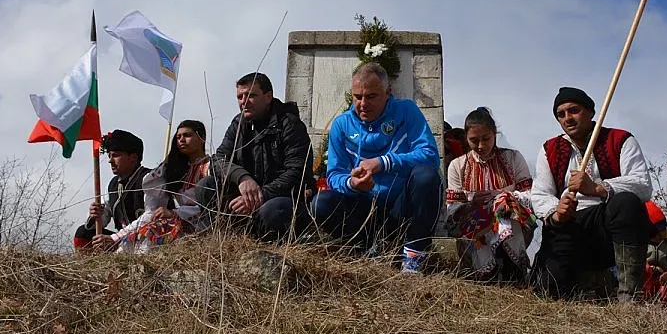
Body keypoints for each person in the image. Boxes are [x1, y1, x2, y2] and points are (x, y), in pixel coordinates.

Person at [312, 62, 442, 274]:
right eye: (357, 96)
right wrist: (353, 183)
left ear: (388, 93)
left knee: (426, 176)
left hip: (401, 205)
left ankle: (413, 257)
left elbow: (429, 155)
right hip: (364, 208)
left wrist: (383, 162)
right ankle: (365, 252)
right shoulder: (341, 125)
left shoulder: (406, 111)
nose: (362, 103)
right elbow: (334, 175)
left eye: (371, 96)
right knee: (321, 203)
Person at [531, 87, 652, 301]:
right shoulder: (549, 149)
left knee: (626, 204)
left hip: (606, 224)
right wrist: (556, 212)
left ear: (591, 112)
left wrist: (597, 188)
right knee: (546, 289)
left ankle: (630, 296)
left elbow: (642, 184)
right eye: (561, 114)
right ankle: (593, 281)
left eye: (574, 110)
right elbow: (540, 194)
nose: (567, 118)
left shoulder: (620, 139)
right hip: (570, 226)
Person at [195, 73, 314, 241]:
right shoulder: (238, 124)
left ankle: (267, 243)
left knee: (273, 210)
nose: (244, 101)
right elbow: (218, 160)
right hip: (246, 198)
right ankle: (219, 240)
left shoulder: (289, 124)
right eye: (240, 97)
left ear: (268, 97)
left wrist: (260, 195)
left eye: (251, 95)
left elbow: (297, 172)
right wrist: (242, 178)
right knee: (206, 186)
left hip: (284, 199)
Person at [446, 107, 535, 283]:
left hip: (513, 220)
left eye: (486, 139)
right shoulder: (457, 166)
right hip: (475, 228)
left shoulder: (513, 158)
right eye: (474, 140)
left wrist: (505, 197)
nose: (480, 146)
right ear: (466, 138)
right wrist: (471, 204)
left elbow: (531, 196)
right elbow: (452, 209)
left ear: (495, 134)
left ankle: (512, 268)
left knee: (504, 208)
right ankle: (487, 272)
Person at [108, 120, 210, 253]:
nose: (181, 140)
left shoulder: (212, 166)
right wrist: (116, 237)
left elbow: (210, 207)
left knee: (157, 229)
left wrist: (175, 213)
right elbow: (152, 211)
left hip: (206, 225)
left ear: (201, 137)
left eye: (187, 135)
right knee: (142, 232)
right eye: (178, 137)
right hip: (179, 222)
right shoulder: (174, 171)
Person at [73, 129, 151, 251]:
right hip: (123, 240)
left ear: (133, 157)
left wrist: (115, 237)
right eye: (109, 155)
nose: (110, 160)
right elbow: (104, 218)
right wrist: (95, 214)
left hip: (148, 239)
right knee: (83, 233)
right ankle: (91, 268)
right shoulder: (113, 185)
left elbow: (151, 217)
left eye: (115, 155)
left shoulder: (148, 178)